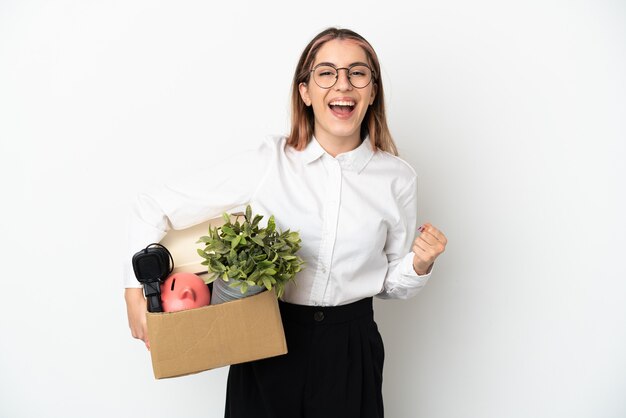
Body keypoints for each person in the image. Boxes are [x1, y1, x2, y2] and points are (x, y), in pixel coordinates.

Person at [124, 27, 447, 418]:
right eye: (326, 73)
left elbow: (389, 285)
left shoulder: (398, 179)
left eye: (357, 73)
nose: (342, 84)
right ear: (305, 92)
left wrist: (419, 265)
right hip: (266, 339)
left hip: (351, 347)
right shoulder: (267, 163)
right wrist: (135, 293)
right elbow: (153, 206)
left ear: (372, 90)